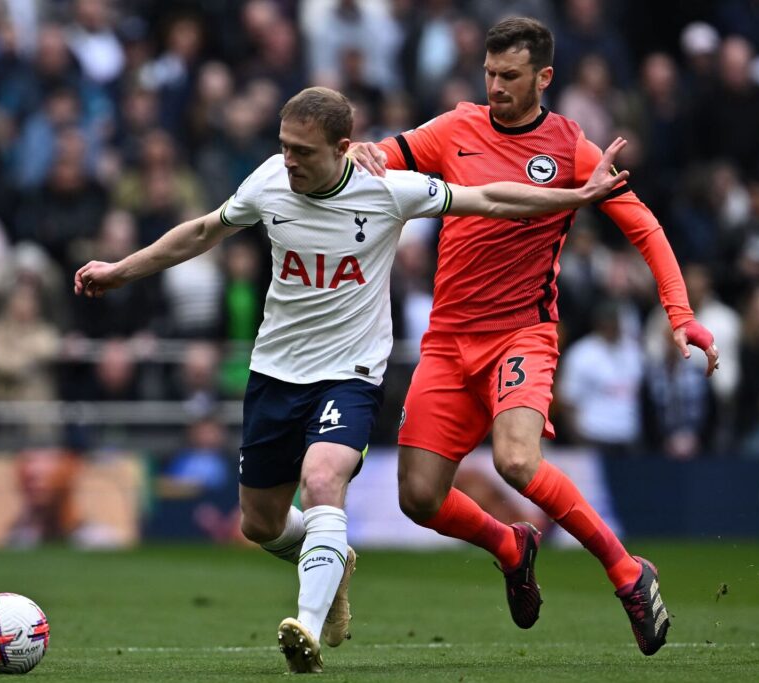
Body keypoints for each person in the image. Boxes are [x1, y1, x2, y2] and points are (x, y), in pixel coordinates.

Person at [74, 86, 627, 673]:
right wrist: (120, 270)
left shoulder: (386, 191)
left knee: (322, 480)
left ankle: (305, 630)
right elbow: (203, 231)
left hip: (350, 375)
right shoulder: (267, 182)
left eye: (303, 152)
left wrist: (577, 194)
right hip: (275, 372)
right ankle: (332, 560)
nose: (289, 161)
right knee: (260, 523)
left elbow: (489, 197)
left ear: (342, 148)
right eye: (284, 147)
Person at [348, 17, 719, 656]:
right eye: (489, 74)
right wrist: (366, 152)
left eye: (509, 76)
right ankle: (509, 545)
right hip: (447, 340)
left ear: (543, 77)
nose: (494, 85)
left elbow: (646, 228)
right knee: (418, 497)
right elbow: (391, 152)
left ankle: (629, 575)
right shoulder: (454, 127)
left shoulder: (571, 149)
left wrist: (680, 315)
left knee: (516, 460)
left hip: (522, 334)